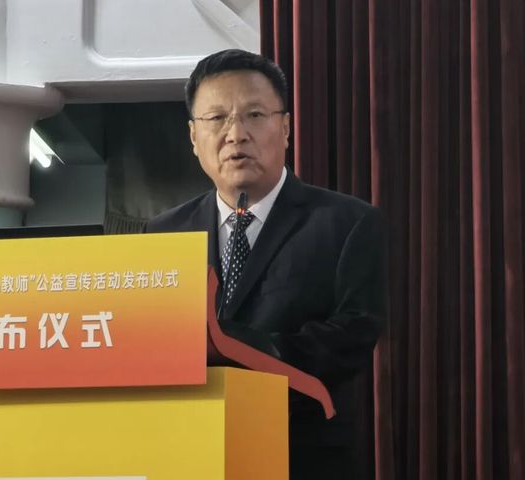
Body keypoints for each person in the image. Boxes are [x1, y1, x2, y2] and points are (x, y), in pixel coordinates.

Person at [144, 49, 386, 479]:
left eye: (254, 115)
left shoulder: (348, 223)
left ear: (286, 128)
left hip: (302, 457)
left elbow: (351, 336)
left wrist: (233, 349)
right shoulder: (163, 234)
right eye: (216, 118)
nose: (236, 134)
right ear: (193, 136)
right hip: (190, 455)